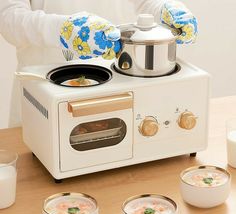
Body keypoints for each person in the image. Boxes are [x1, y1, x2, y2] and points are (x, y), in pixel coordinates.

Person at [0, 0, 197, 127]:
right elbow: (9, 16)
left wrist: (166, 8)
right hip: (44, 91)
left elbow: (146, 2)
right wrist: (62, 30)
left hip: (116, 86)